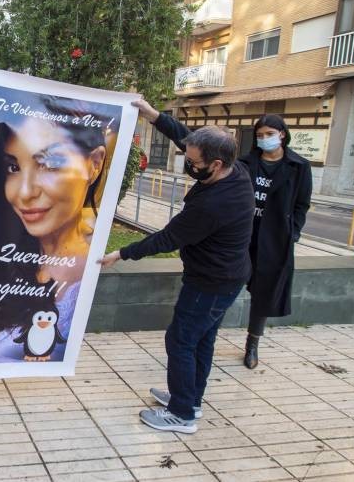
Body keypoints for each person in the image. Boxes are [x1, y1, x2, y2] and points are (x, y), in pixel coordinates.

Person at [98, 99, 253, 435]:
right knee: (202, 340)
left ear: (214, 163)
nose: (188, 164)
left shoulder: (215, 204)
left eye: (193, 162)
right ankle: (189, 398)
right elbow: (185, 136)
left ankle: (182, 414)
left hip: (210, 283)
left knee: (181, 340)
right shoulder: (234, 169)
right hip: (225, 277)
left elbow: (168, 238)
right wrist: (153, 115)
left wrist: (122, 254)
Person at [0, 97, 115, 365]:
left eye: (49, 163)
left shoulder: (93, 262)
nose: (25, 192)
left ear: (94, 163)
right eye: (13, 167)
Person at [238, 114, 312, 369]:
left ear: (282, 134)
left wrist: (294, 232)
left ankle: (252, 344)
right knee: (225, 284)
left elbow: (302, 204)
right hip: (243, 235)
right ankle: (207, 337)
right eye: (259, 135)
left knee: (264, 293)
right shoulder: (245, 163)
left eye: (269, 133)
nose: (264, 139)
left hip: (275, 239)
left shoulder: (299, 166)